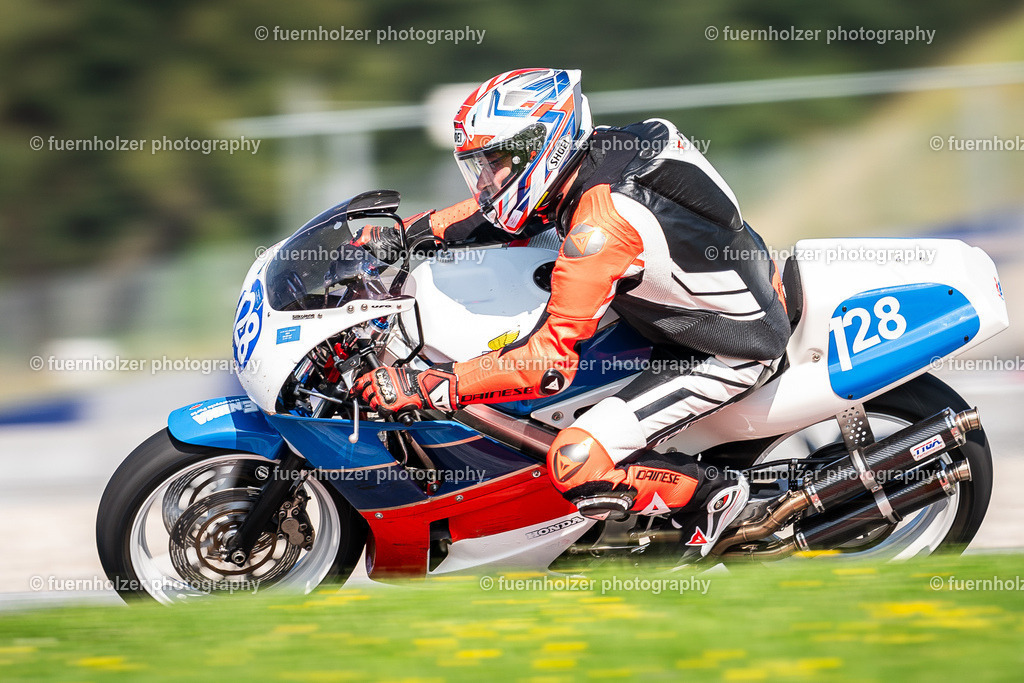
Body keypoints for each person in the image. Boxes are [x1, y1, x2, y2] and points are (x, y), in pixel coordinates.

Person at [353, 68, 791, 560]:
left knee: (576, 459)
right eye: (478, 165)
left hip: (724, 346)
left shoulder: (601, 226)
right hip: (691, 300)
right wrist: (404, 234)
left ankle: (708, 495)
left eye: (495, 162)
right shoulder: (593, 154)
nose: (485, 180)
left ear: (544, 143)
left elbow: (546, 365)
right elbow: (501, 214)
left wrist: (431, 384)